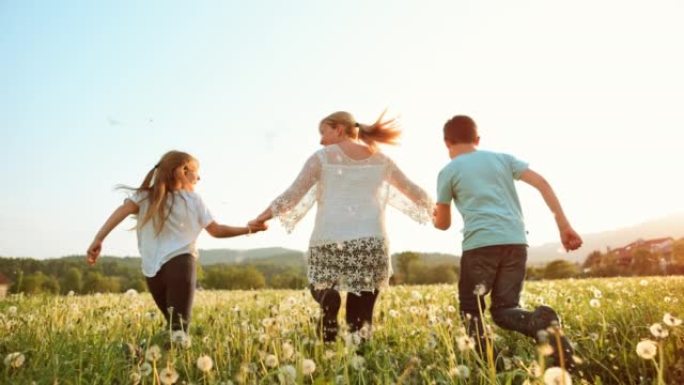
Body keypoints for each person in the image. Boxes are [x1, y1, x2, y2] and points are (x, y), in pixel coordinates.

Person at [250, 111, 433, 343]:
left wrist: (262, 217)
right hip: (371, 242)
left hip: (329, 239)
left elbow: (293, 194)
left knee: (321, 285)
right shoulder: (381, 160)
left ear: (338, 129)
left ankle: (328, 308)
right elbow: (413, 190)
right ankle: (359, 367)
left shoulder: (322, 157)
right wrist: (435, 210)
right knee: (362, 316)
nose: (321, 140)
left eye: (323, 132)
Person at [432, 115, 582, 370]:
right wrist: (564, 226)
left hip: (480, 246)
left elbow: (443, 223)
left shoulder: (448, 172)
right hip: (515, 242)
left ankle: (492, 365)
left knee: (471, 308)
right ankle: (540, 322)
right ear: (477, 139)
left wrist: (433, 213)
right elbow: (542, 183)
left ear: (447, 143)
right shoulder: (503, 159)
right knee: (504, 309)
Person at [86, 150, 266, 333]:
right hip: (176, 267)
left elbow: (120, 212)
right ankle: (175, 357)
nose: (199, 177)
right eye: (196, 171)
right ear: (183, 170)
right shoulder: (191, 199)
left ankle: (170, 358)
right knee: (177, 329)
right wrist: (249, 229)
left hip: (153, 270)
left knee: (174, 327)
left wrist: (98, 239)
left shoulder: (145, 197)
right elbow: (216, 230)